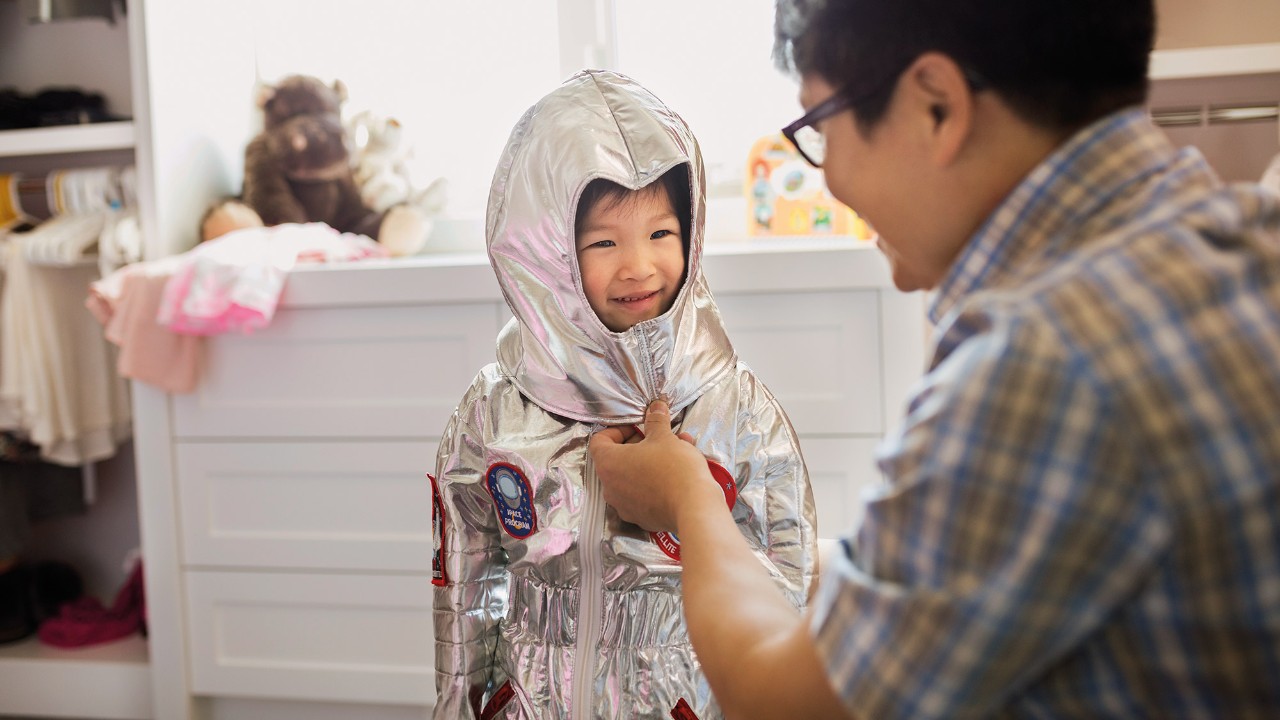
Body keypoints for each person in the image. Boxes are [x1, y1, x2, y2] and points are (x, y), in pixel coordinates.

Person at [589, 0, 1280, 718]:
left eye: (821, 128)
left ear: (936, 107)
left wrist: (686, 500)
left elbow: (791, 703)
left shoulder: (1039, 365)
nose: (829, 179)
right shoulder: (1245, 236)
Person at [431, 69, 818, 719]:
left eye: (661, 235)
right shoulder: (495, 410)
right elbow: (465, 580)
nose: (638, 265)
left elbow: (789, 587)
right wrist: (461, 705)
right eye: (604, 242)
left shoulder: (738, 412)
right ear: (548, 257)